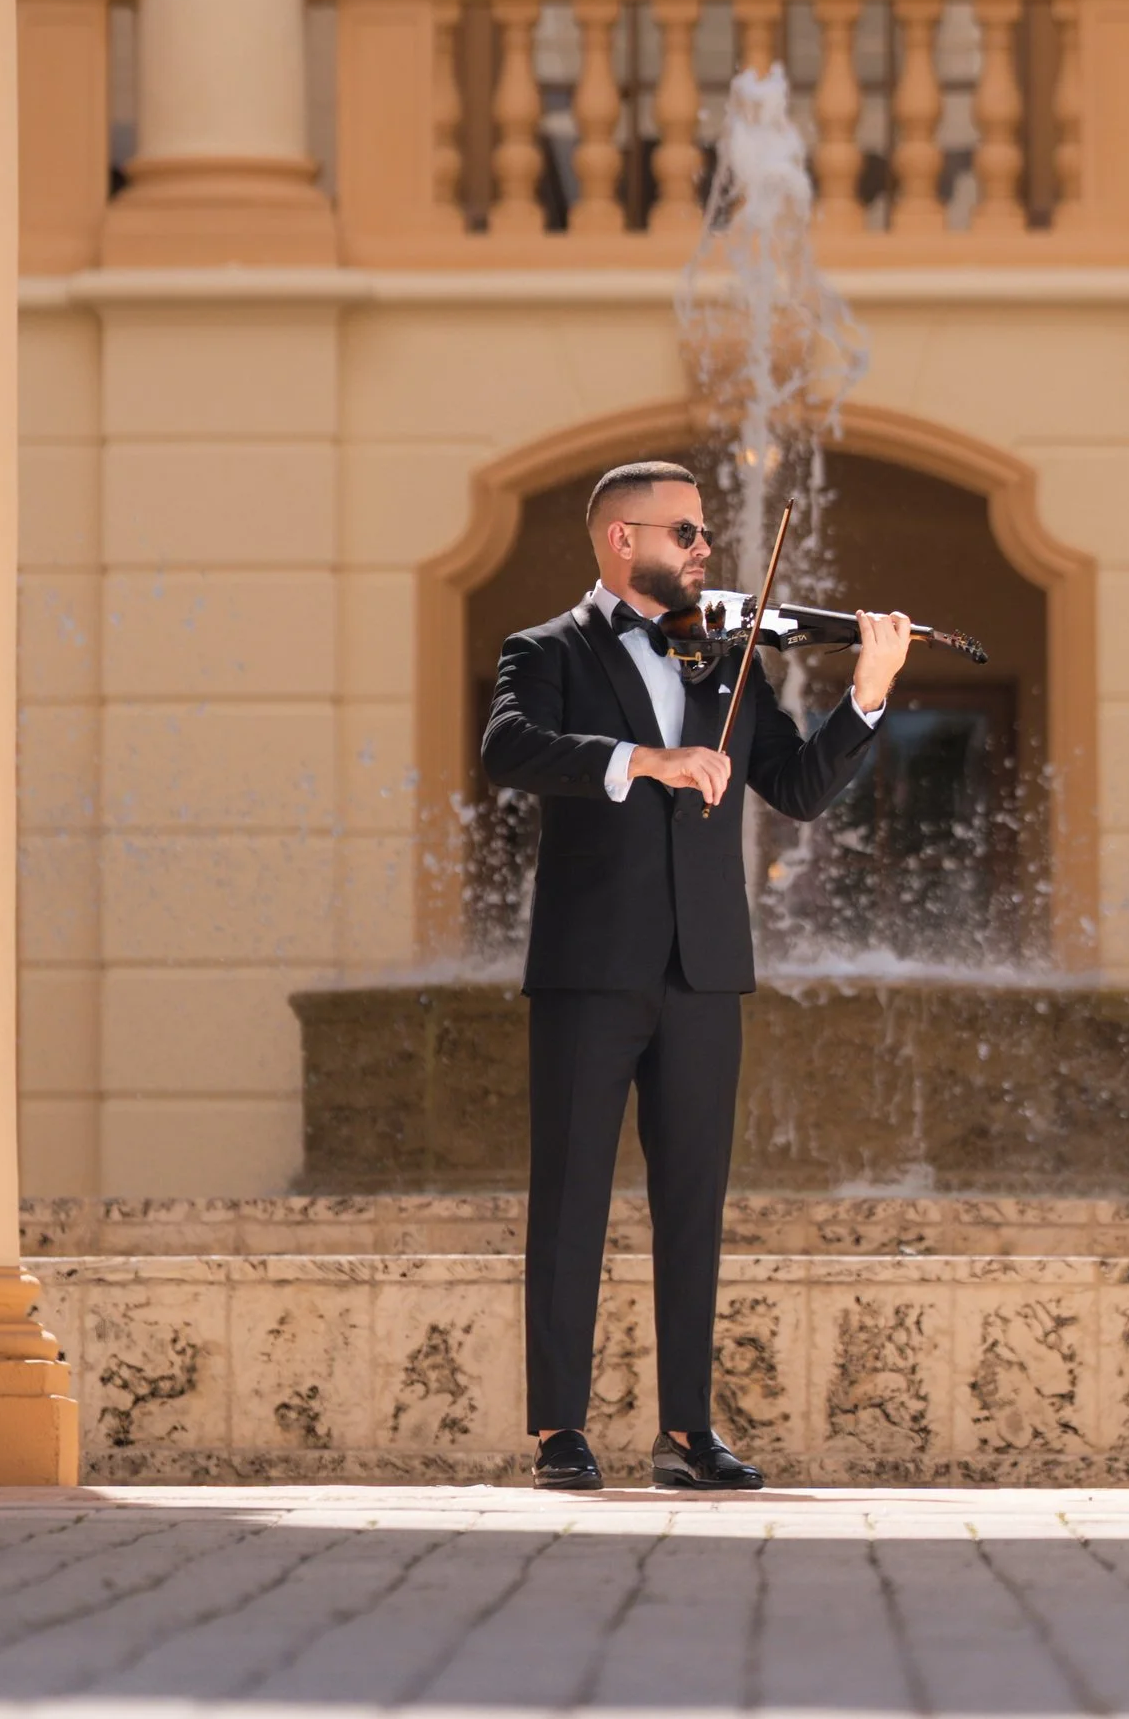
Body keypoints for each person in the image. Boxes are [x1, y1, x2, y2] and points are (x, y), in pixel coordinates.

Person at [479, 456, 913, 1492]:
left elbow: (797, 792)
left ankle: (686, 1430)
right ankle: (558, 1430)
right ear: (621, 540)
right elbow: (508, 748)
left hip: (705, 969)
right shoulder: (546, 651)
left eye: (708, 535)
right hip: (590, 967)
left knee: (692, 1201)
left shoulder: (726, 664)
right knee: (572, 1195)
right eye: (686, 534)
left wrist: (865, 696)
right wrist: (645, 760)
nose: (707, 551)